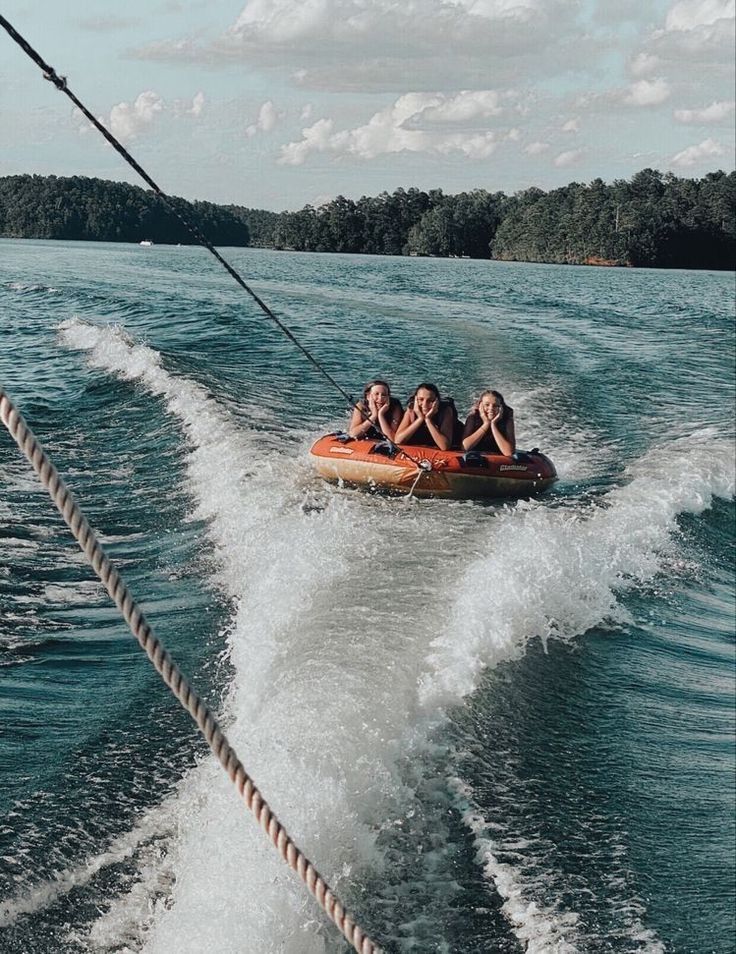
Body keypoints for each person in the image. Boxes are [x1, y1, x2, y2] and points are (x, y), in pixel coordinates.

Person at [394, 382, 455, 450]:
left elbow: (444, 446)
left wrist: (428, 420)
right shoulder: (411, 410)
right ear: (416, 399)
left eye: (430, 400)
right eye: (421, 399)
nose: (424, 405)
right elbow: (398, 441)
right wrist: (420, 419)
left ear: (436, 401)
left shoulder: (446, 411)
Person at [462, 389, 516, 456]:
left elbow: (509, 453)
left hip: (498, 461)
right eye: (487, 405)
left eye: (496, 405)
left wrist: (493, 424)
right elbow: (464, 447)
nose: (491, 408)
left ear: (501, 408)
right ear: (480, 406)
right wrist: (486, 424)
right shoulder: (472, 418)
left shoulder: (507, 420)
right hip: (474, 458)